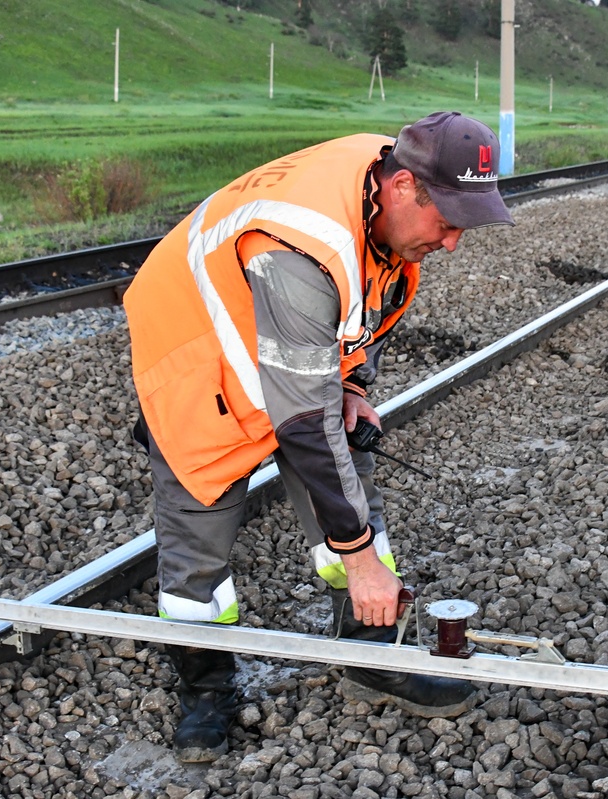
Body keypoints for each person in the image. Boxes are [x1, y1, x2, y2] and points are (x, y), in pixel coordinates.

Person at [123, 111, 515, 763]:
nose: (452, 244)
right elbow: (302, 422)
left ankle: (367, 654)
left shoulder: (383, 183)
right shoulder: (303, 249)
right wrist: (357, 559)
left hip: (288, 340)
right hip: (201, 361)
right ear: (401, 189)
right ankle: (205, 691)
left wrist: (355, 386)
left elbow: (368, 303)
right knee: (198, 554)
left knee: (350, 484)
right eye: (448, 222)